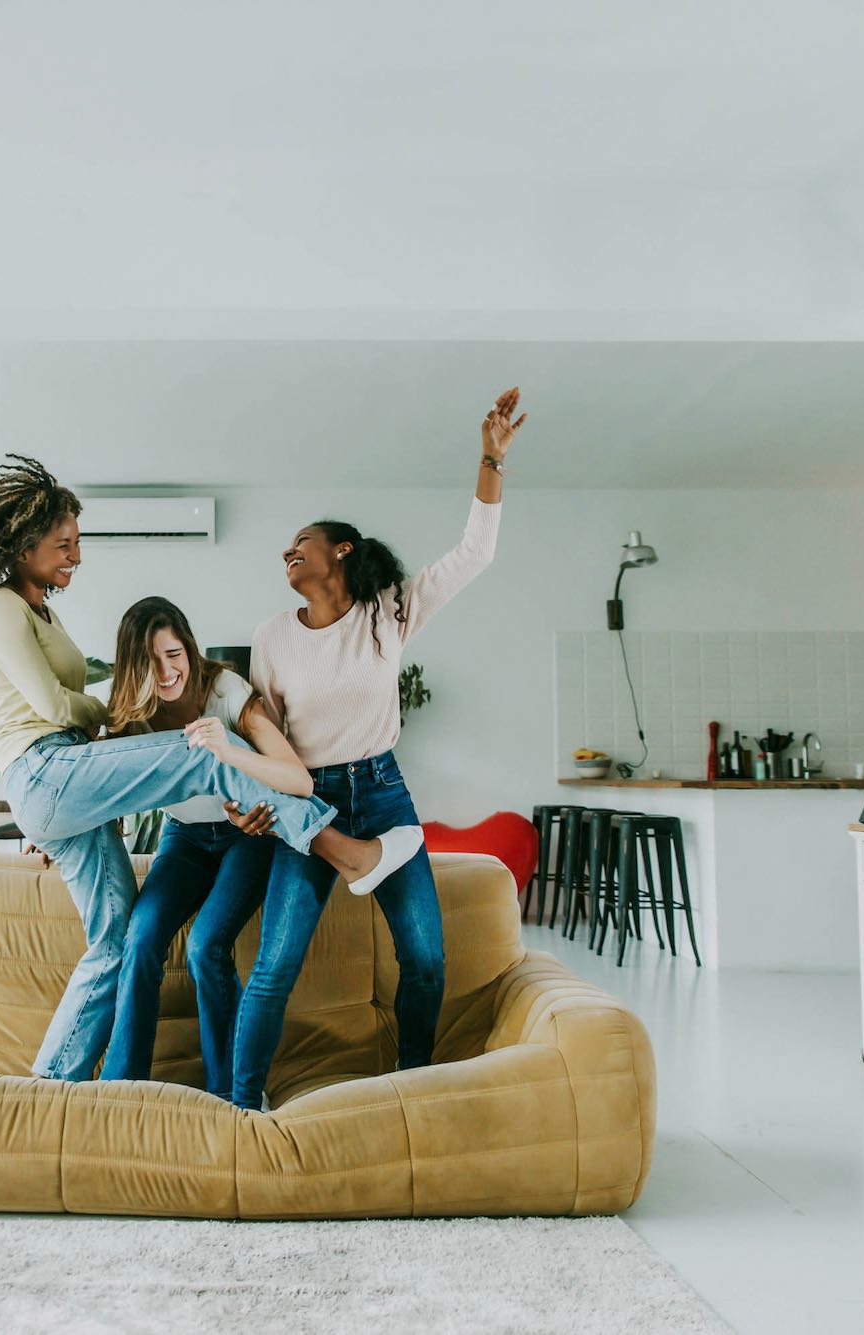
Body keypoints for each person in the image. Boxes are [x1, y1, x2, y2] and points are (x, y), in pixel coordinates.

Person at [0, 455, 424, 1083]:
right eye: (64, 544)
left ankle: (55, 1087)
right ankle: (343, 850)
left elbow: (94, 740)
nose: (76, 556)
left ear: (191, 651)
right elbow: (54, 709)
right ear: (22, 542)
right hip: (51, 772)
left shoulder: (61, 621)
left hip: (76, 782)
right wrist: (103, 729)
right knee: (199, 750)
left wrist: (61, 813)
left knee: (119, 940)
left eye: (174, 655)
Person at [215, 388, 526, 1111]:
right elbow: (264, 737)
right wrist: (252, 803)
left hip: (384, 795)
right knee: (274, 967)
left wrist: (490, 457)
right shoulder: (272, 635)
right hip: (309, 801)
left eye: (302, 540)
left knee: (425, 958)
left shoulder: (388, 612)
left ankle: (412, 1084)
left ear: (341, 550)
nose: (287, 550)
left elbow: (474, 553)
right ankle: (243, 1104)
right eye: (285, 547)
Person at [94, 597, 301, 1099]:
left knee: (206, 946)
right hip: (183, 837)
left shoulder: (226, 691)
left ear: (189, 649)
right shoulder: (128, 712)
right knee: (141, 939)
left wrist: (254, 802)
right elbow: (94, 789)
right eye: (151, 662)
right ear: (133, 667)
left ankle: (232, 1093)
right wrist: (48, 839)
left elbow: (292, 773)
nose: (167, 672)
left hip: (247, 836)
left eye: (175, 655)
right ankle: (121, 1089)